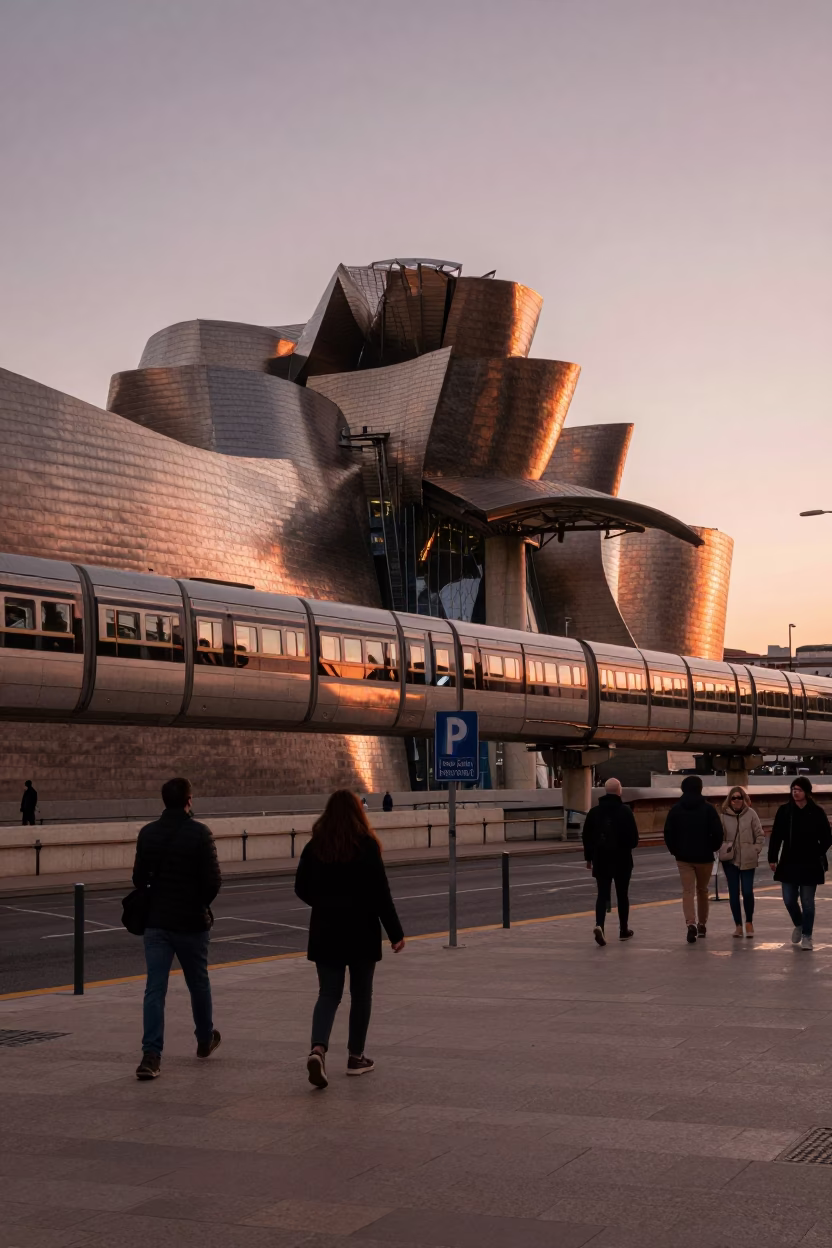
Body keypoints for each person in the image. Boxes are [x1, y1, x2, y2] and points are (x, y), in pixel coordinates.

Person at [295, 789, 405, 1089]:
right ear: (359, 812)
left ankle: (318, 1049)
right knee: (361, 996)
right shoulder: (367, 846)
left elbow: (300, 887)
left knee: (328, 994)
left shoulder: (315, 845)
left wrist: (324, 902)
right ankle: (356, 1057)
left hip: (326, 930)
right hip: (361, 931)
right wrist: (395, 933)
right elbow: (382, 894)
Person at [132, 777, 222, 1080]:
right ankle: (204, 1039)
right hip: (191, 923)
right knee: (198, 982)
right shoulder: (199, 833)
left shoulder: (148, 833)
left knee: (155, 988)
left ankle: (151, 1055)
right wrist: (196, 903)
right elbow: (212, 881)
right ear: (188, 800)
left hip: (156, 921)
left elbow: (138, 878)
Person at [768, 776, 832, 951]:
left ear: (807, 792)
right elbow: (776, 836)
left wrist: (817, 852)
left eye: (799, 790)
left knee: (808, 902)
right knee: (789, 899)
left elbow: (827, 838)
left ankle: (807, 935)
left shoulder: (816, 811)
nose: (795, 793)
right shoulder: (785, 811)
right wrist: (772, 857)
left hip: (810, 864)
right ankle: (799, 923)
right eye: (793, 789)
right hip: (789, 862)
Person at [664, 774, 723, 943]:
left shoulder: (675, 809)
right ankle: (702, 924)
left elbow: (668, 832)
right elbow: (718, 833)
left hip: (683, 858)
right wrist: (712, 847)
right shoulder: (708, 809)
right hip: (704, 857)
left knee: (688, 890)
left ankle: (690, 923)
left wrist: (675, 851)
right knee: (702, 890)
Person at [582, 778, 639, 945]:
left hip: (601, 858)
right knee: (622, 895)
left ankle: (600, 925)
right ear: (619, 791)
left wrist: (589, 858)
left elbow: (587, 837)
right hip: (622, 859)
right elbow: (634, 840)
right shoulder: (625, 811)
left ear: (605, 791)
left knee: (602, 894)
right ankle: (623, 929)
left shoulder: (594, 812)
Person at [719, 787, 765, 938]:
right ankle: (738, 925)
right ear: (729, 800)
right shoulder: (723, 816)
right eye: (734, 798)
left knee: (747, 891)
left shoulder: (751, 814)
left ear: (744, 799)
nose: (737, 801)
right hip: (730, 860)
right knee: (733, 893)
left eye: (739, 797)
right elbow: (718, 836)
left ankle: (749, 921)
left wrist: (755, 849)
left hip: (748, 858)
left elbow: (760, 835)